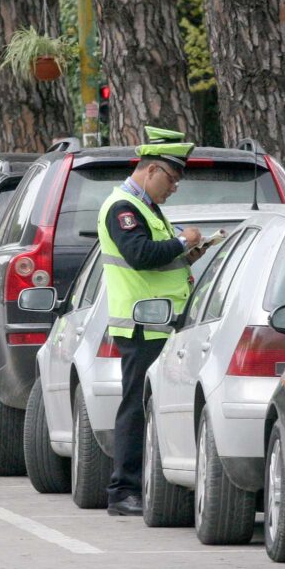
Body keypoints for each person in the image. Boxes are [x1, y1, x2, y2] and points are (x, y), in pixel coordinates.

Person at [97, 126, 204, 517]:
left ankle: (141, 484)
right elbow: (140, 253)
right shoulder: (122, 207)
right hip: (142, 325)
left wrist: (186, 257)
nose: (174, 188)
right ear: (152, 170)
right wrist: (182, 242)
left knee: (151, 406)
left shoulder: (145, 206)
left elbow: (153, 260)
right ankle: (123, 491)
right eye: (172, 180)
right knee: (135, 407)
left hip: (161, 324)